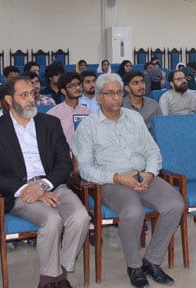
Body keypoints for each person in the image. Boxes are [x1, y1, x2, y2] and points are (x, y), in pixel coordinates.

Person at [72, 73, 184, 288]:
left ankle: (151, 260)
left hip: (143, 174)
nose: (115, 98)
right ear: (98, 97)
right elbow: (85, 169)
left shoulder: (134, 118)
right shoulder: (88, 126)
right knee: (133, 212)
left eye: (119, 93)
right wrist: (117, 178)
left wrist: (151, 173)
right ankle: (134, 266)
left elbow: (153, 151)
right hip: (111, 181)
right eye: (110, 93)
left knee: (175, 204)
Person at [0, 77, 90, 288]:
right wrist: (27, 189)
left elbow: (64, 163)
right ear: (9, 99)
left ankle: (60, 273)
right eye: (24, 95)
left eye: (33, 94)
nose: (32, 99)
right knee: (51, 219)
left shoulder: (49, 123)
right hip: (19, 191)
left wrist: (43, 185)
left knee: (81, 217)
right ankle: (49, 280)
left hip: (52, 184)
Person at [47, 72, 91, 145]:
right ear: (63, 91)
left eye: (78, 84)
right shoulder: (53, 114)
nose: (77, 88)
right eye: (72, 86)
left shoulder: (87, 112)